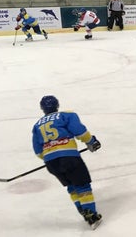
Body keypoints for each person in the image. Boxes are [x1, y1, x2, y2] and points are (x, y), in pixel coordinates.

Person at [31, 95, 103, 229]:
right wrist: (91, 142)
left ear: (42, 109)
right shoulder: (66, 115)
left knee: (71, 186)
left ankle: (82, 210)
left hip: (51, 162)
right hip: (69, 157)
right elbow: (80, 132)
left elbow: (38, 151)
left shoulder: (36, 126)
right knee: (82, 185)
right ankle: (91, 216)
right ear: (57, 105)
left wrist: (50, 157)